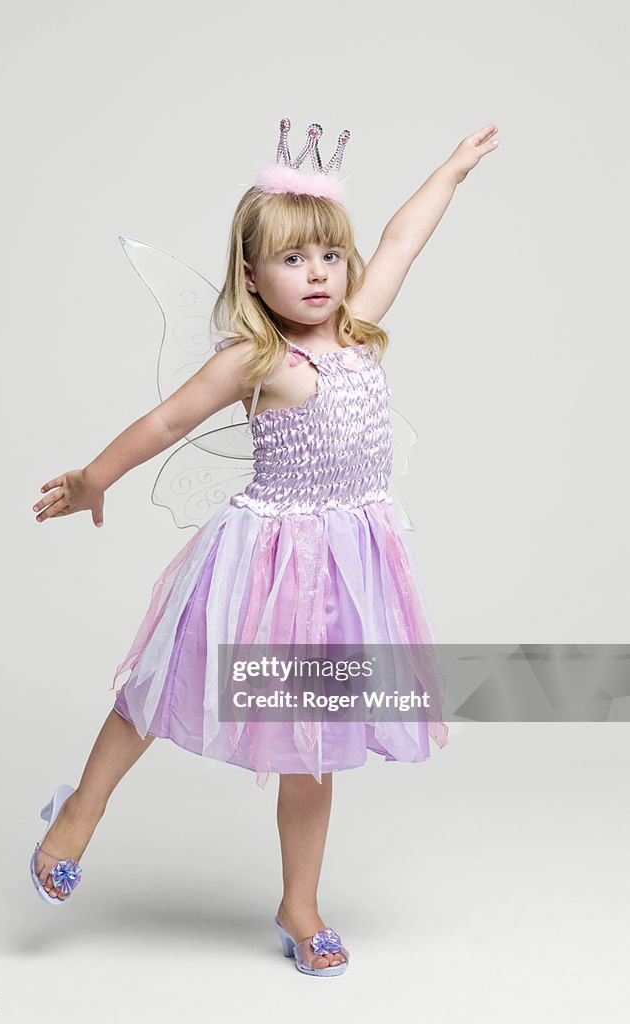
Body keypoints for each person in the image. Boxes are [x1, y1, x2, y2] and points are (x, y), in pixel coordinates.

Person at [28, 118, 498, 976]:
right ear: (251, 274)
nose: (317, 273)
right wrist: (95, 479)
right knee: (155, 690)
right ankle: (77, 816)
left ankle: (300, 903)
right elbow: (167, 420)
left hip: (348, 568)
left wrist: (451, 173)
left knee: (314, 745)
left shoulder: (356, 328)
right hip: (263, 561)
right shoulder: (256, 358)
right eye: (292, 259)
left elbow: (401, 236)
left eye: (328, 255)